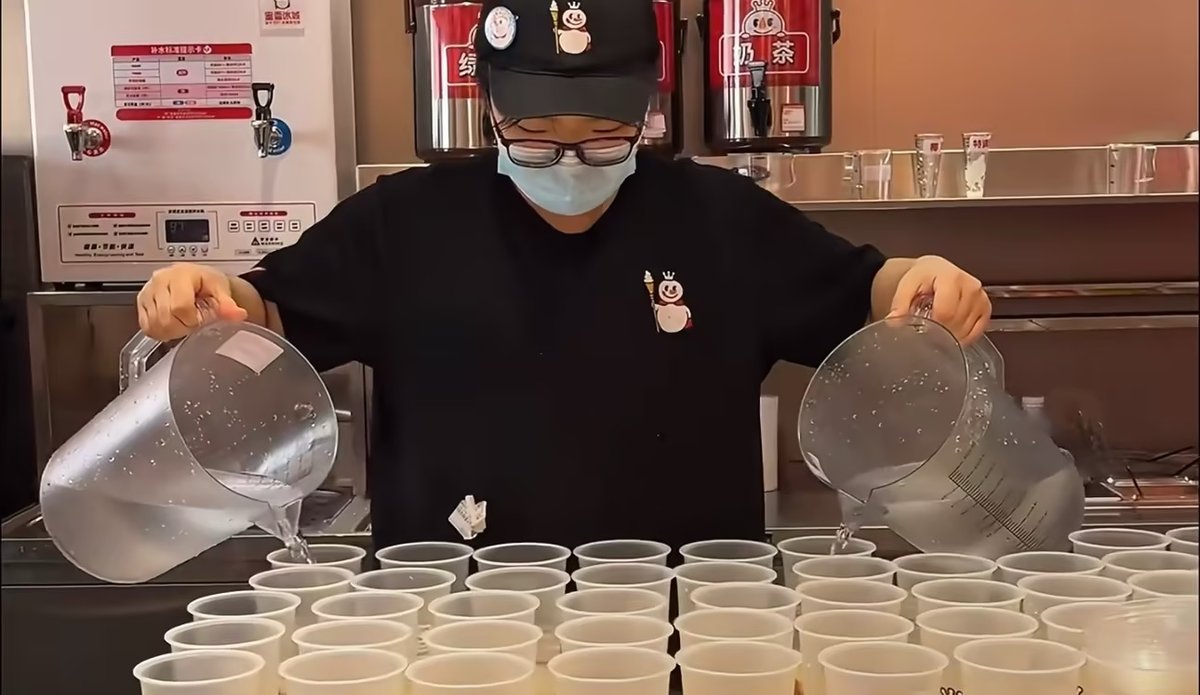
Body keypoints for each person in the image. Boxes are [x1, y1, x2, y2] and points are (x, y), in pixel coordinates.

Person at [136, 0, 991, 552]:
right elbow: (268, 316)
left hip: (682, 631)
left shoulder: (722, 219)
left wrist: (926, 279)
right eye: (537, 139)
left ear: (648, 112)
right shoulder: (404, 224)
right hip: (458, 628)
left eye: (604, 139)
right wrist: (205, 298)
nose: (571, 165)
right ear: (493, 112)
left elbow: (864, 297)